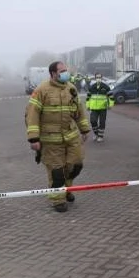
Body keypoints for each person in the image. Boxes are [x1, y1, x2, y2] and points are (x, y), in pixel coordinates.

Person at [26, 61, 91, 212]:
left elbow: (79, 111)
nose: (65, 73)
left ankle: (66, 189)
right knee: (57, 172)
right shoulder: (42, 90)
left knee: (76, 165)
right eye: (62, 71)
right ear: (53, 74)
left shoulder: (71, 88)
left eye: (66, 70)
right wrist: (34, 138)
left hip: (71, 137)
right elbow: (32, 114)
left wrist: (85, 129)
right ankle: (58, 200)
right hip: (51, 140)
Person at [86, 74, 113, 142]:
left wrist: (110, 105)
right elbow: (88, 98)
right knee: (93, 121)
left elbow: (111, 97)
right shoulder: (92, 87)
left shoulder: (105, 87)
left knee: (102, 122)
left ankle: (100, 136)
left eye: (99, 77)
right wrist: (88, 106)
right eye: (97, 77)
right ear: (95, 78)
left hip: (102, 108)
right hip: (93, 108)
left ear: (101, 78)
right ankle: (96, 134)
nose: (98, 78)